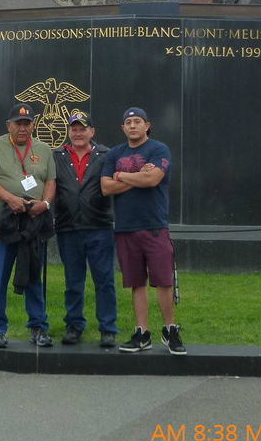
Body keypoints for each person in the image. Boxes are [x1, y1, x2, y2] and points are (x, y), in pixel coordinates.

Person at [101, 107, 185, 355]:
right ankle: (142, 333)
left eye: (137, 121)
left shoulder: (159, 149)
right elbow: (105, 187)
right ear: (123, 128)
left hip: (155, 226)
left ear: (147, 125)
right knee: (136, 283)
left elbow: (152, 180)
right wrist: (135, 175)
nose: (132, 126)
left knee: (163, 281)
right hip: (126, 228)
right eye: (128, 122)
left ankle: (169, 330)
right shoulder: (115, 153)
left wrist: (120, 176)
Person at [0, 103, 56, 348]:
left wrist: (45, 203)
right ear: (8, 125)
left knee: (33, 275)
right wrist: (10, 199)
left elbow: (50, 181)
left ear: (33, 125)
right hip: (3, 223)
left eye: (27, 123)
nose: (23, 128)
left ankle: (38, 327)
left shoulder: (43, 149)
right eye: (18, 124)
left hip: (32, 222)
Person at [52, 111, 117, 348]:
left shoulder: (106, 155)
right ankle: (74, 325)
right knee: (73, 282)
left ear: (92, 131)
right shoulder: (56, 155)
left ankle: (108, 329)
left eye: (83, 129)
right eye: (74, 129)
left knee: (104, 280)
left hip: (99, 226)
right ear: (69, 132)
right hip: (68, 227)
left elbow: (122, 175)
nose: (78, 133)